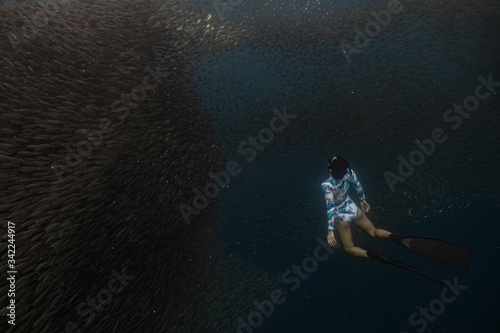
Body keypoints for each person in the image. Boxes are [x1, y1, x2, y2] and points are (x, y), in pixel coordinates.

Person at [321, 156, 392, 258]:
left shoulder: (327, 185)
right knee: (374, 232)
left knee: (349, 249)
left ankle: (371, 255)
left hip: (341, 218)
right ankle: (394, 237)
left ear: (331, 169)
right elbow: (357, 185)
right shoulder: (348, 172)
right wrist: (362, 199)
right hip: (353, 210)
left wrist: (330, 230)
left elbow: (330, 207)